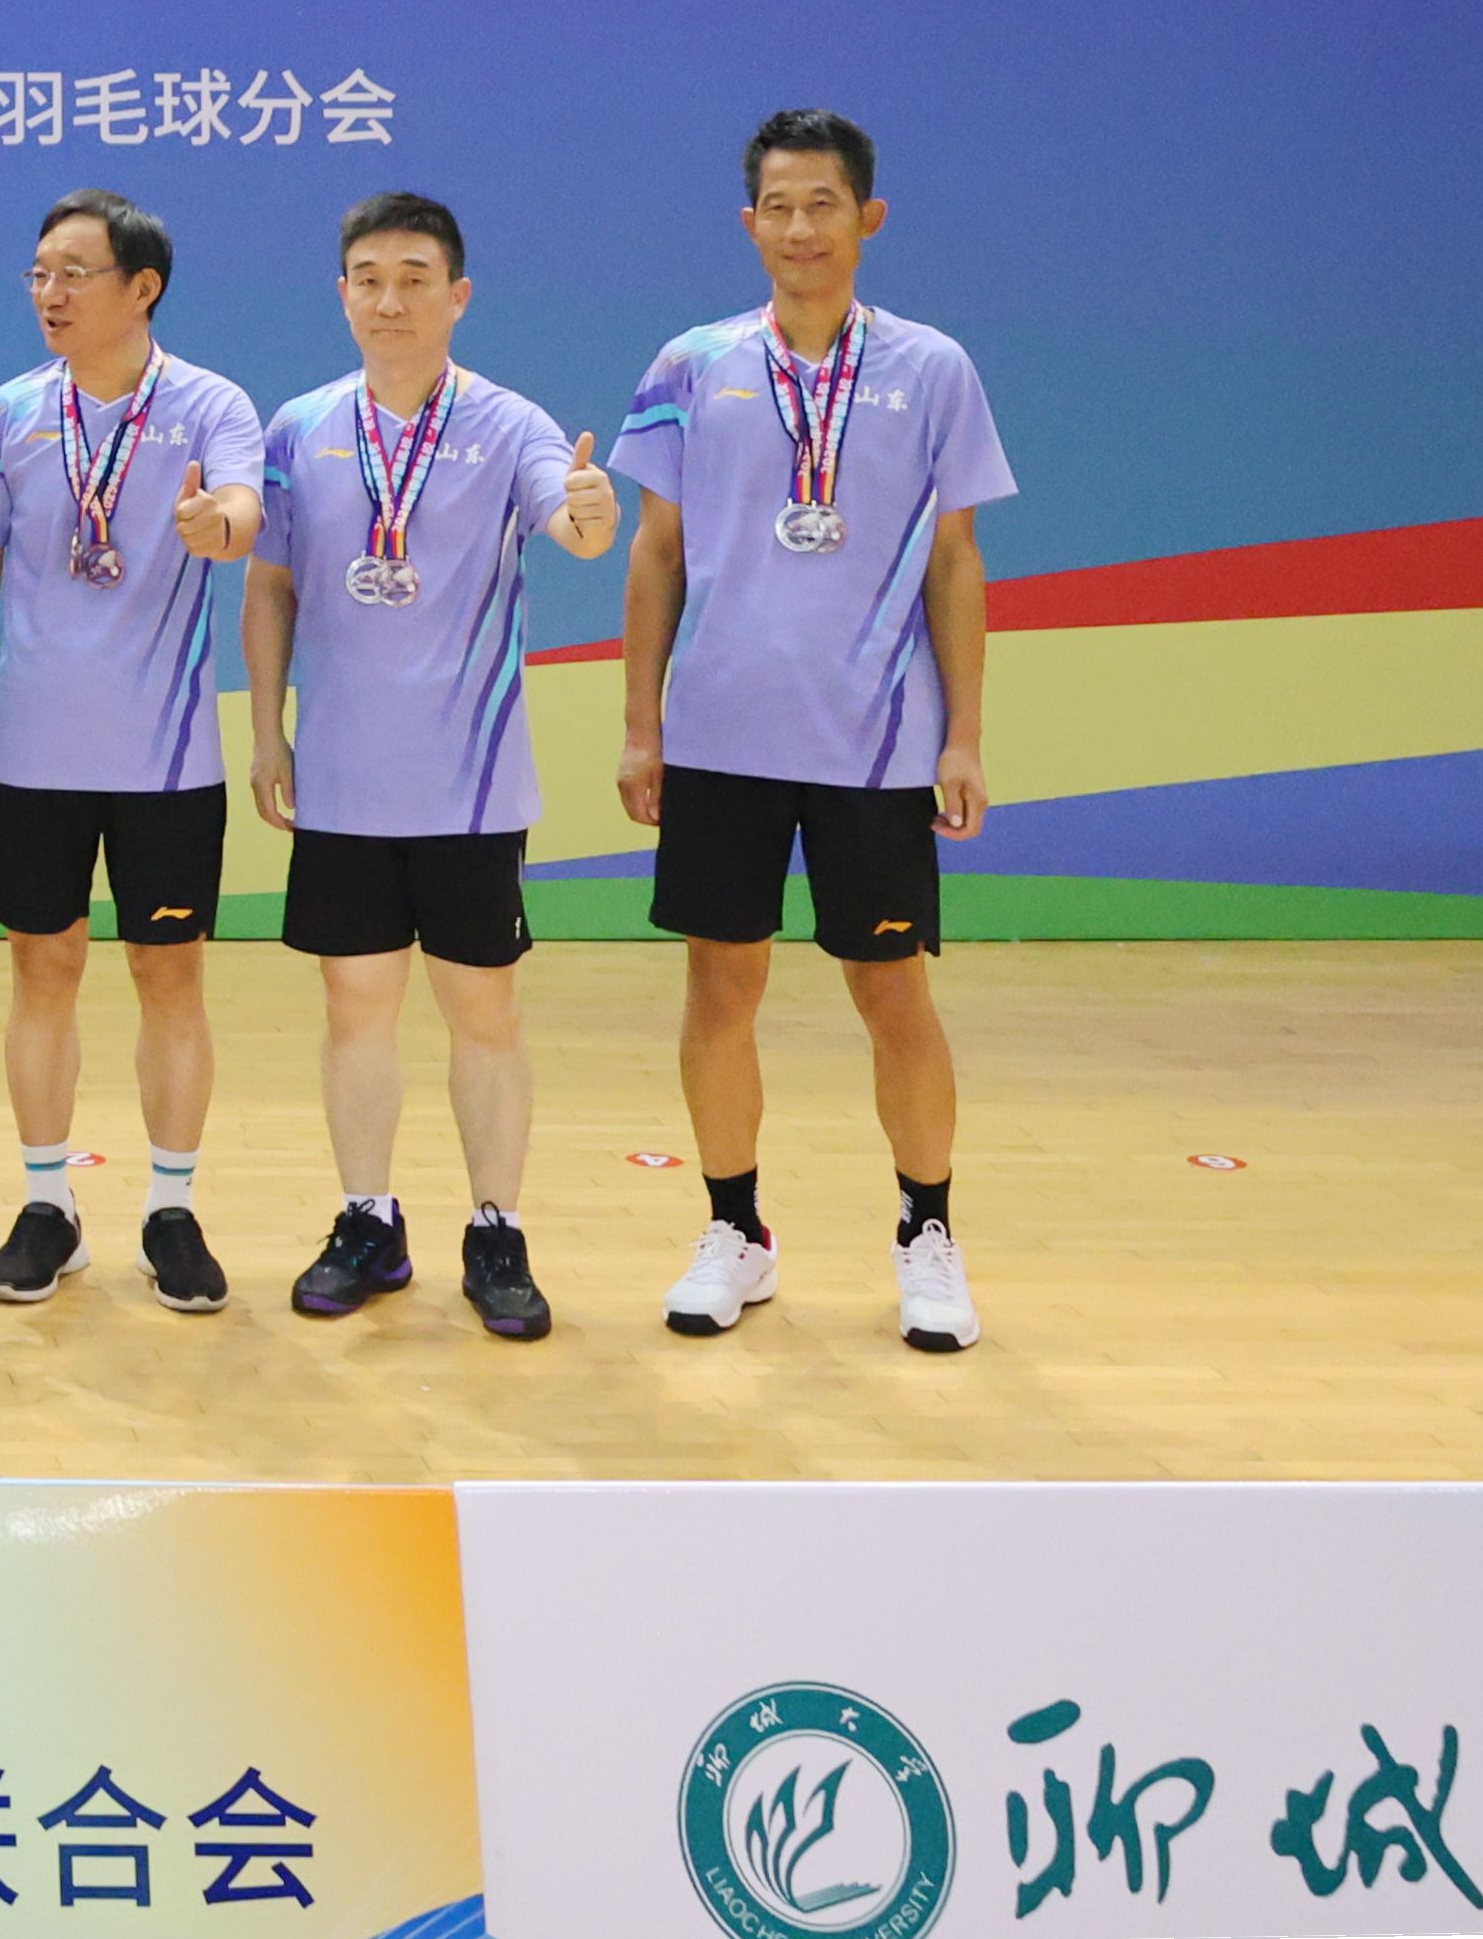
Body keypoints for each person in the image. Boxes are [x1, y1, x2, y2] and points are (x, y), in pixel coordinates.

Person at [612, 107, 1013, 1353]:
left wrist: (962, 735)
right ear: (751, 222)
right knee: (719, 985)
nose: (800, 227)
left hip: (876, 743)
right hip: (721, 737)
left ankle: (927, 1234)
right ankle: (735, 1230)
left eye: (823, 203)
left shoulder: (933, 368)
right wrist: (640, 727)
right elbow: (657, 552)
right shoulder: (691, 362)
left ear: (867, 217)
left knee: (891, 990)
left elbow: (956, 559)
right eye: (779, 206)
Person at [240, 190, 617, 1337]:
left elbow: (574, 522)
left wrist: (592, 512)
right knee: (354, 1006)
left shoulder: (508, 423)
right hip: (343, 782)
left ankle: (497, 1230)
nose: (389, 300)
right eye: (368, 278)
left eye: (414, 278)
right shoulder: (300, 426)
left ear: (458, 295)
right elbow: (271, 584)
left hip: (471, 785)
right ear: (342, 293)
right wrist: (266, 731)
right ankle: (369, 1218)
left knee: (482, 1011)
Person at [0, 188, 266, 1311]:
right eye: (39, 273)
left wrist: (217, 524)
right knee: (43, 970)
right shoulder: (9, 412)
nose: (51, 292)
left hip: (166, 760)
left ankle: (171, 1209)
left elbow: (242, 507)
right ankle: (47, 1205)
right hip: (33, 753)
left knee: (169, 975)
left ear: (142, 287)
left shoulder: (210, 403)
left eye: (74, 272)